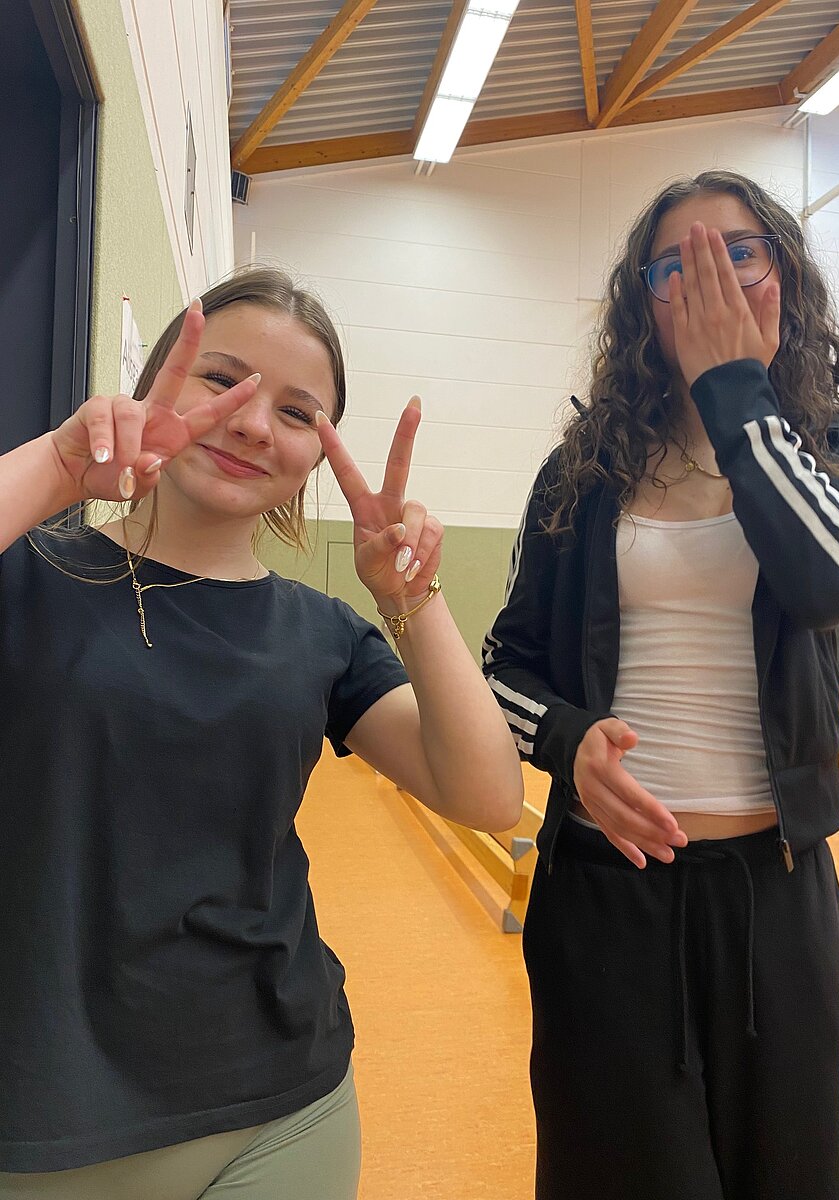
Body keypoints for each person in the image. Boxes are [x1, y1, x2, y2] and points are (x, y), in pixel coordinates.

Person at [0, 267, 523, 1199]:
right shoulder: (32, 572)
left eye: (297, 413)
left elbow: (488, 794)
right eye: (223, 379)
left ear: (318, 454)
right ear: (155, 380)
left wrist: (411, 596)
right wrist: (62, 469)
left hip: (283, 1104)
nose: (252, 424)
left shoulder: (324, 635)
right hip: (46, 1115)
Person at [483, 171, 839, 1200]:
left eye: (739, 251)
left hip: (779, 900)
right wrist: (570, 740)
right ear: (644, 303)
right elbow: (503, 668)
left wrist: (737, 395)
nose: (711, 277)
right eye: (677, 263)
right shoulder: (582, 471)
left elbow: (833, 584)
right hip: (606, 896)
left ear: (785, 276)